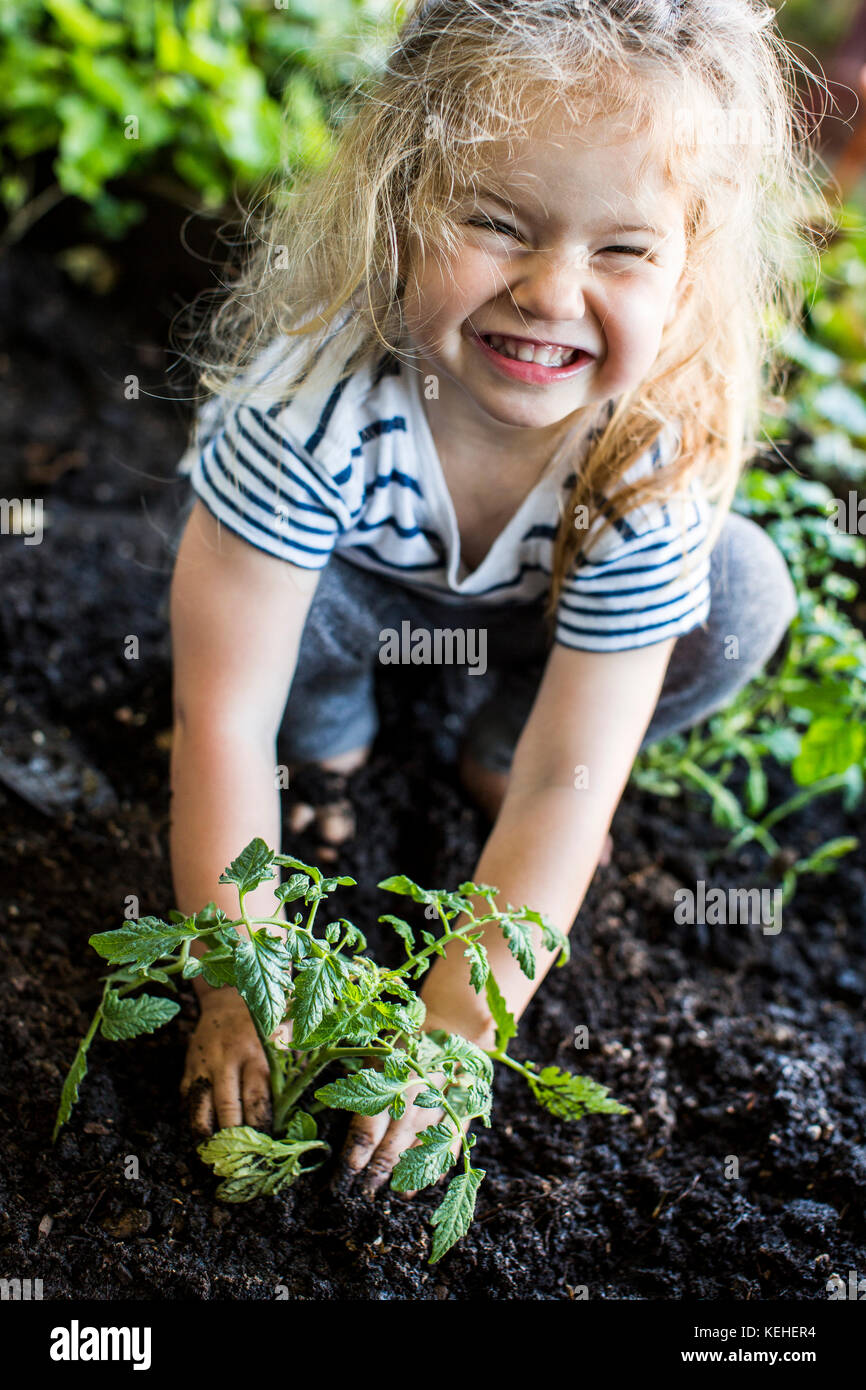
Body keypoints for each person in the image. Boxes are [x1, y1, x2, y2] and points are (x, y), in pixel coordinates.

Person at [171, 0, 822, 1196]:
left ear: (688, 265)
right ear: (400, 200)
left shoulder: (647, 461)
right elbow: (222, 717)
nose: (550, 289)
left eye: (623, 249)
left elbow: (576, 779)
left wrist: (451, 1036)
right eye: (493, 220)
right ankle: (330, 746)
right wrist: (236, 984)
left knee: (738, 592)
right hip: (350, 602)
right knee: (272, 654)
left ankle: (489, 742)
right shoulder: (308, 410)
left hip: (533, 616)